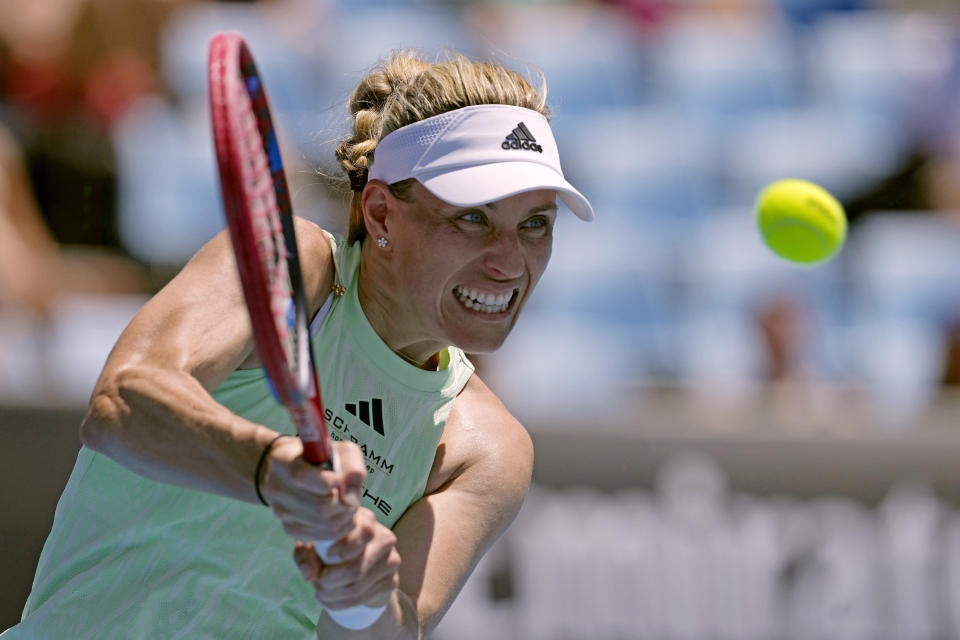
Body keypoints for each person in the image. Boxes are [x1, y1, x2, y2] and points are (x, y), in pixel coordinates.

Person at [3, 50, 594, 638]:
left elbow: (396, 627)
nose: (509, 263)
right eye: (473, 219)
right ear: (382, 213)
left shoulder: (487, 449)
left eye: (535, 224)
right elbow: (121, 403)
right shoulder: (297, 268)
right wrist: (267, 467)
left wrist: (362, 598)